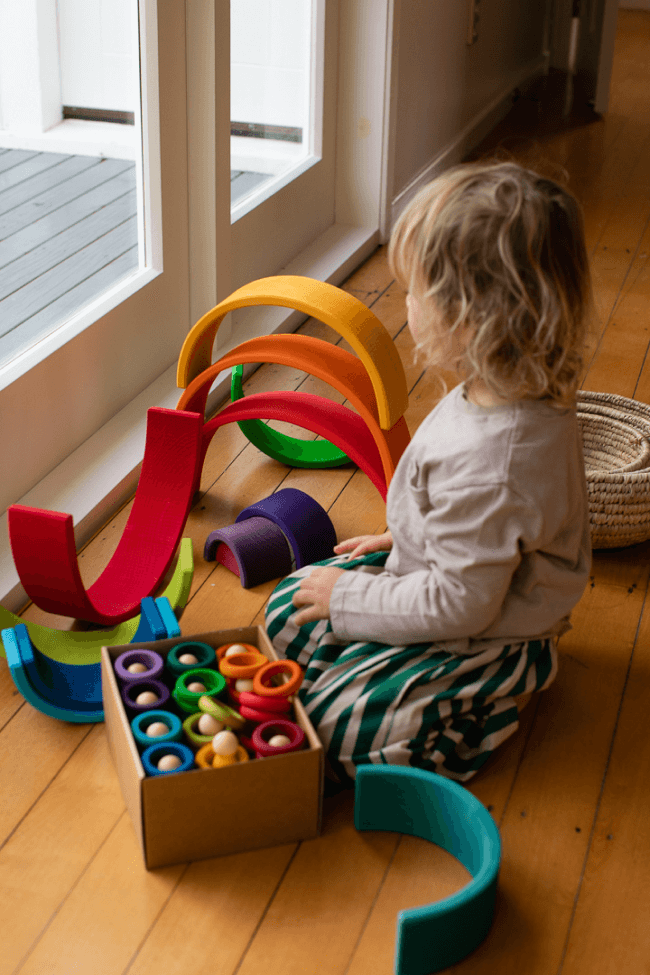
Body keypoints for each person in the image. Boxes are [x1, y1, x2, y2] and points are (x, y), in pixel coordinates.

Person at [265, 160, 593, 786]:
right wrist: (402, 540)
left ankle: (486, 704)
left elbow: (459, 605)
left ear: (472, 320)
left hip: (489, 636)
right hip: (448, 583)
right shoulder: (499, 386)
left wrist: (356, 598)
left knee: (338, 726)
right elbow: (483, 531)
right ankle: (370, 655)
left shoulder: (497, 465)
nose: (405, 302)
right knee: (289, 606)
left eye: (416, 291)